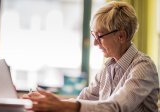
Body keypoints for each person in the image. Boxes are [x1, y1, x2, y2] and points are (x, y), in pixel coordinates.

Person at [22, 1, 159, 112]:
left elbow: (115, 108)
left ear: (121, 36)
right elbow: (83, 99)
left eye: (99, 36)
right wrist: (46, 102)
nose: (94, 43)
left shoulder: (143, 67)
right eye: (94, 35)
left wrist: (60, 106)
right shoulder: (108, 67)